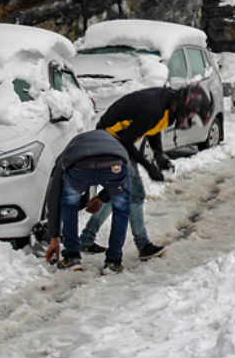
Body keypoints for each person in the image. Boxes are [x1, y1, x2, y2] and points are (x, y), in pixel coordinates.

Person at [78, 84, 212, 260]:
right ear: (184, 106)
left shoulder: (167, 104)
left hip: (118, 140)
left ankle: (86, 239)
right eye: (191, 114)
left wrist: (159, 155)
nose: (190, 118)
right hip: (109, 140)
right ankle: (144, 246)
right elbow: (127, 141)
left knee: (119, 192)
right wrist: (149, 168)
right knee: (136, 194)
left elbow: (152, 129)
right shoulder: (154, 108)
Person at [44, 129, 133, 273]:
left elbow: (54, 198)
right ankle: (113, 262)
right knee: (121, 210)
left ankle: (72, 257)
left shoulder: (67, 155)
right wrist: (103, 198)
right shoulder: (116, 145)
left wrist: (54, 236)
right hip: (115, 164)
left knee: (69, 205)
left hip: (80, 166)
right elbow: (122, 184)